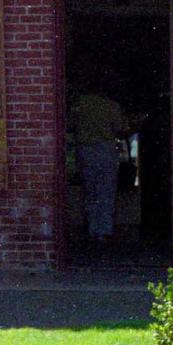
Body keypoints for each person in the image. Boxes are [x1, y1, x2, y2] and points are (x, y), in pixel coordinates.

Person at [69, 88, 127, 243]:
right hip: (105, 148)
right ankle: (104, 230)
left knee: (90, 190)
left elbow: (71, 124)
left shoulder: (79, 104)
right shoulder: (111, 105)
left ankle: (92, 228)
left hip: (85, 148)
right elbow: (120, 128)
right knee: (106, 190)